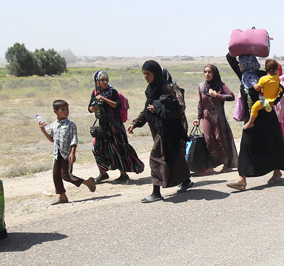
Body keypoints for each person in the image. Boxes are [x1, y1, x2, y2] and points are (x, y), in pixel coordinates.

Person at [127, 60, 193, 203]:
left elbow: (180, 108)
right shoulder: (152, 89)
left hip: (168, 130)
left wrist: (158, 109)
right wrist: (135, 123)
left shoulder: (168, 87)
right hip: (157, 128)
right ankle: (186, 180)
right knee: (173, 156)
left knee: (156, 158)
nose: (145, 77)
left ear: (156, 73)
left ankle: (156, 192)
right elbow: (147, 109)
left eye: (148, 73)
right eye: (144, 74)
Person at [225, 53, 284, 190]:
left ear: (248, 63)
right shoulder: (244, 76)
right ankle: (242, 179)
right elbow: (230, 58)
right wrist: (241, 47)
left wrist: (273, 101)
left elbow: (280, 88)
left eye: (241, 62)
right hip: (252, 118)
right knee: (246, 145)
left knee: (272, 144)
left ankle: (277, 172)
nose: (239, 65)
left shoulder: (262, 75)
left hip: (267, 116)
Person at [88, 71, 144, 184]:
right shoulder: (95, 93)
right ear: (97, 82)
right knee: (97, 147)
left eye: (106, 79)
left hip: (115, 125)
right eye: (102, 80)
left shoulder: (112, 92)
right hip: (103, 126)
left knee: (118, 148)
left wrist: (104, 99)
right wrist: (92, 108)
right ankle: (103, 173)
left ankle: (123, 174)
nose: (105, 82)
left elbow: (117, 105)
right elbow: (89, 107)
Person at [39, 99, 96, 204]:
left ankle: (88, 182)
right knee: (56, 175)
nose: (66, 111)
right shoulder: (53, 125)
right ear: (55, 111)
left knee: (66, 176)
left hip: (67, 154)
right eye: (63, 109)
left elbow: (74, 140)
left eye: (67, 109)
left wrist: (72, 153)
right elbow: (52, 139)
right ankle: (62, 197)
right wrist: (43, 131)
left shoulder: (71, 125)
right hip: (57, 154)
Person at [192, 64, 238, 175]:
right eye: (205, 72)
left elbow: (231, 97)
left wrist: (216, 95)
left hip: (219, 118)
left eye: (210, 72)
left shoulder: (220, 85)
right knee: (208, 140)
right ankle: (210, 166)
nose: (207, 74)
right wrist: (198, 118)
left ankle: (227, 164)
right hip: (206, 118)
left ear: (214, 73)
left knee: (220, 139)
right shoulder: (201, 87)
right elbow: (200, 103)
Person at [243, 59, 281, 130]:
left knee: (254, 108)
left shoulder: (263, 79)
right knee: (268, 110)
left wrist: (253, 83)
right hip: (273, 101)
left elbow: (257, 88)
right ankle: (268, 109)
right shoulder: (277, 79)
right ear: (276, 71)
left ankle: (250, 122)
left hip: (265, 101)